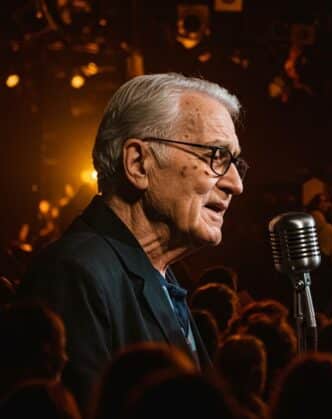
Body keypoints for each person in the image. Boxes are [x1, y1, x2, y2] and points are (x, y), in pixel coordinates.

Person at [18, 73, 246, 405]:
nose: (235, 184)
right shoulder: (73, 274)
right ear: (138, 163)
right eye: (216, 156)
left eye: (235, 161)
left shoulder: (160, 276)